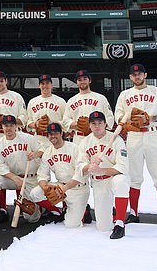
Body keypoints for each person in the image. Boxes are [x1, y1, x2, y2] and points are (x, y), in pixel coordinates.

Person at [115, 63, 157, 228]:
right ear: (130, 77)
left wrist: (151, 118)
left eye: (140, 74)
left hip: (153, 133)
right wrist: (126, 125)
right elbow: (119, 116)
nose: (137, 76)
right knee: (134, 177)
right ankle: (134, 213)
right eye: (134, 74)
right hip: (134, 136)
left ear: (145, 75)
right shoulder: (124, 95)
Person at [62, 69, 114, 224]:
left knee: (101, 173)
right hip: (80, 139)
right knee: (80, 174)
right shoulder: (71, 101)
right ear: (76, 82)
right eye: (79, 79)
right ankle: (82, 209)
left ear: (89, 80)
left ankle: (106, 205)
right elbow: (65, 121)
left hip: (99, 139)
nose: (82, 82)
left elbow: (110, 118)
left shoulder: (100, 98)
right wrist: (76, 124)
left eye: (84, 78)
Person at [78, 111, 130, 239]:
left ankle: (120, 224)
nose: (97, 126)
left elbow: (123, 166)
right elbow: (80, 165)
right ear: (89, 126)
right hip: (98, 182)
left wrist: (102, 170)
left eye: (100, 123)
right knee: (103, 227)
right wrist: (89, 167)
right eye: (93, 123)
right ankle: (111, 212)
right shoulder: (85, 142)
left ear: (105, 124)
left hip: (113, 177)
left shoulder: (116, 139)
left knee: (121, 182)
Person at [30, 123, 89, 228]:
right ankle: (57, 211)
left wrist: (65, 188)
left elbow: (80, 174)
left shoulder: (74, 148)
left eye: (56, 133)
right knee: (35, 193)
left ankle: (84, 211)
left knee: (71, 225)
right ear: (47, 136)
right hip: (60, 186)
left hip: (77, 188)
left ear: (61, 133)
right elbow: (42, 175)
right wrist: (45, 188)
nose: (53, 136)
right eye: (50, 134)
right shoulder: (48, 153)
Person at [0, 115, 43, 224]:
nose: (8, 128)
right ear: (2, 127)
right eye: (6, 125)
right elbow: (0, 166)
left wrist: (36, 154)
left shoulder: (27, 138)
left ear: (16, 126)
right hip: (14, 178)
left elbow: (43, 149)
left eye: (11, 125)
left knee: (32, 218)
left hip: (30, 178)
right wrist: (14, 178)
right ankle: (3, 209)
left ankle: (41, 207)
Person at [0, 71, 27, 145]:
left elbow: (24, 118)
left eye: (2, 81)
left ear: (6, 81)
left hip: (16, 134)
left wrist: (7, 119)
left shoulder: (16, 97)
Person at [26, 75, 67, 150]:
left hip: (55, 138)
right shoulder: (32, 102)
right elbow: (28, 122)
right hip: (38, 139)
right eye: (42, 83)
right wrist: (36, 124)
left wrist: (53, 124)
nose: (45, 85)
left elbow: (66, 121)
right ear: (39, 86)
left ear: (51, 85)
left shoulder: (61, 101)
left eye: (47, 83)